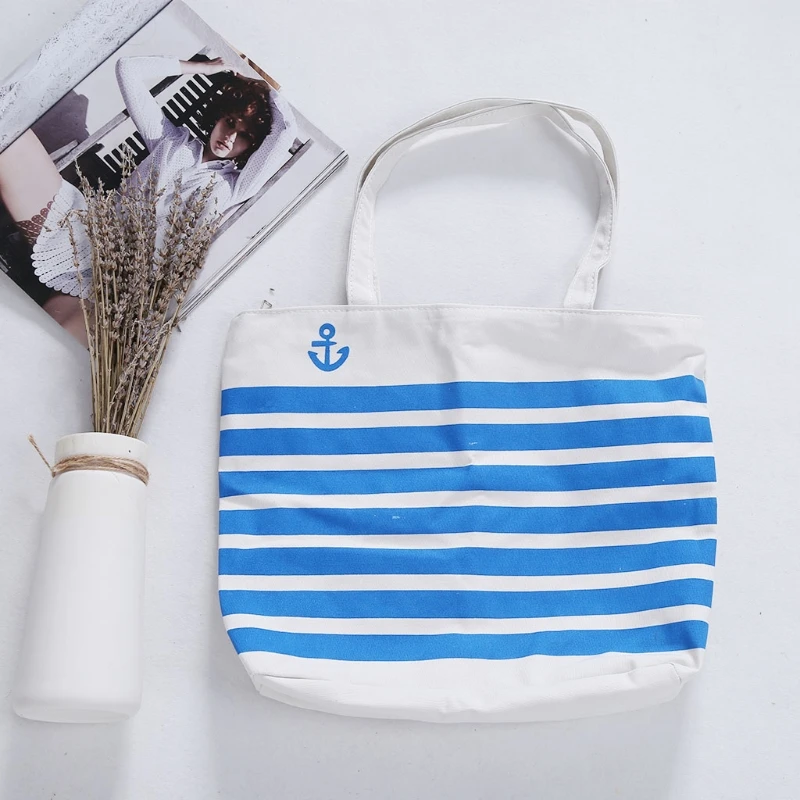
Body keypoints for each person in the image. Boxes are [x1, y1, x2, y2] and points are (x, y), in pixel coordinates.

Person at [0, 55, 298, 344]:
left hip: (122, 280)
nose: (230, 136)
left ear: (252, 147)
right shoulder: (172, 139)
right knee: (9, 127)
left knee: (50, 336)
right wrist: (202, 67)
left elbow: (285, 130)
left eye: (244, 135)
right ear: (219, 116)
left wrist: (262, 84)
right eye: (230, 122)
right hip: (87, 231)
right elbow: (127, 69)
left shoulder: (235, 187)